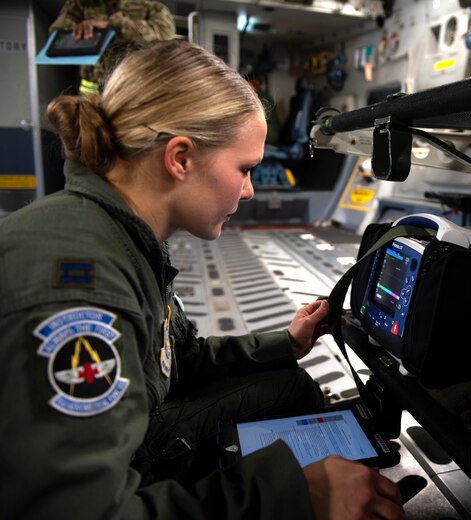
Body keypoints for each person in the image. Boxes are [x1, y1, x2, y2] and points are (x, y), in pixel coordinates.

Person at [0, 39, 404, 520]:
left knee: (289, 386)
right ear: (181, 158)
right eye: (245, 169)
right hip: (117, 477)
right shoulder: (82, 287)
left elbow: (178, 361)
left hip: (141, 427)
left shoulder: (128, 236)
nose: (251, 189)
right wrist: (293, 495)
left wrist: (286, 341)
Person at [48, 0, 176, 95]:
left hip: (137, 88)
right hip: (93, 92)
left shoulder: (152, 7)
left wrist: (121, 24)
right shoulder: (82, 4)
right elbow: (56, 35)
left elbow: (164, 37)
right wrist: (79, 30)